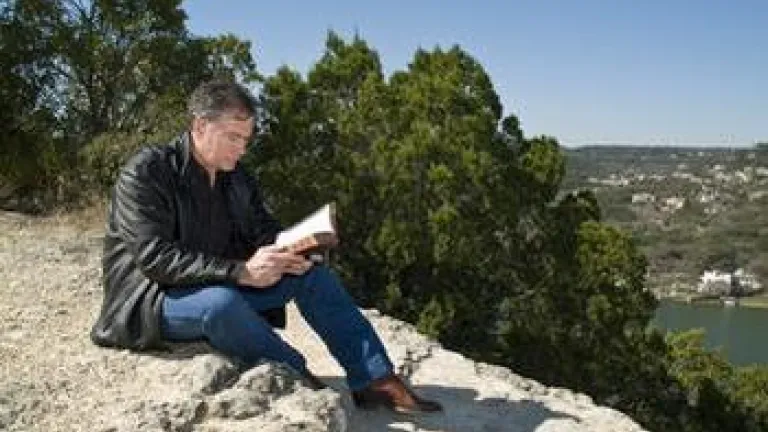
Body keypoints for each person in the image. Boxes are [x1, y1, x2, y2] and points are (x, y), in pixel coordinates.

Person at [90, 79, 442, 414]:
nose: (241, 149)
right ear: (199, 127)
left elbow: (263, 233)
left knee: (314, 277)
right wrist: (241, 272)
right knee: (221, 303)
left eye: (246, 139)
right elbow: (155, 258)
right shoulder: (146, 172)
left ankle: (374, 380)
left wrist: (297, 250)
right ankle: (298, 376)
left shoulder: (237, 176)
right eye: (232, 137)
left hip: (218, 282)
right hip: (153, 299)